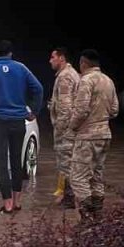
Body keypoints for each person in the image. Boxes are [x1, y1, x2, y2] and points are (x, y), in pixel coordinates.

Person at [0, 40, 43, 214]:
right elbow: (38, 88)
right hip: (18, 122)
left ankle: (7, 203)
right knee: (16, 161)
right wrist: (33, 111)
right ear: (11, 53)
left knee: (1, 162)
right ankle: (18, 200)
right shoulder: (21, 68)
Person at [67, 49, 119, 222]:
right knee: (97, 176)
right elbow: (114, 110)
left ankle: (86, 220)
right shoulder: (108, 81)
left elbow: (81, 110)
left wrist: (72, 127)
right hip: (105, 135)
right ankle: (98, 218)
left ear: (83, 63)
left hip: (87, 136)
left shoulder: (86, 81)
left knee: (78, 178)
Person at [47, 47, 80, 207]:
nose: (50, 60)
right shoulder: (71, 74)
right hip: (71, 128)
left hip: (66, 130)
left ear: (61, 58)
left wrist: (61, 129)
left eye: (53, 57)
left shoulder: (65, 76)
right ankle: (70, 196)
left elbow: (66, 107)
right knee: (70, 162)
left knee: (66, 163)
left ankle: (69, 198)